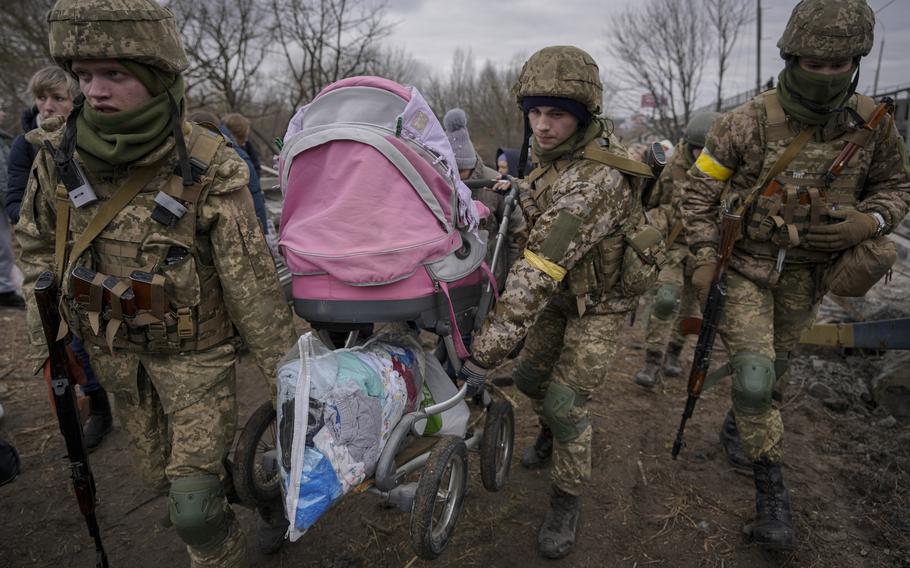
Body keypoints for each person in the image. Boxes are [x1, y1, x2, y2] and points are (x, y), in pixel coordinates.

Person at [18, 1, 297, 565]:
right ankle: (254, 483)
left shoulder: (208, 165)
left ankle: (236, 525)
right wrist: (44, 314)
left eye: (115, 74)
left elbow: (256, 292)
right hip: (116, 355)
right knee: (158, 478)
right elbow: (35, 244)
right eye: (85, 75)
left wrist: (290, 385)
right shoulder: (57, 155)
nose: (94, 90)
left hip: (196, 356)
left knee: (192, 509)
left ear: (156, 77)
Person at [681, 0, 909, 551]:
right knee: (757, 382)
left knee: (773, 374)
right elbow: (697, 192)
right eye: (814, 63)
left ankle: (740, 425)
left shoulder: (874, 125)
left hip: (811, 279)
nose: (826, 75)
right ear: (791, 56)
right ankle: (772, 500)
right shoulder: (745, 122)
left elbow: (898, 188)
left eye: (840, 65)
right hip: (747, 272)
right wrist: (705, 257)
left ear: (856, 61)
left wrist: (869, 221)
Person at [458, 46, 659, 558]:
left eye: (558, 115)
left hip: (601, 303)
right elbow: (533, 222)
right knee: (529, 380)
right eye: (535, 113)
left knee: (567, 405)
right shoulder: (552, 160)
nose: (542, 127)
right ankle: (548, 430)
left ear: (583, 117)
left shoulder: (597, 180)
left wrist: (483, 350)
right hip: (563, 295)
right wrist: (512, 194)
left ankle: (566, 501)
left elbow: (538, 269)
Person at [633, 112, 720, 389]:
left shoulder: (724, 171)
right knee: (666, 299)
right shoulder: (672, 168)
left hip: (703, 250)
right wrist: (660, 219)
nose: (700, 156)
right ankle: (652, 358)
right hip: (671, 248)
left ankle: (674, 352)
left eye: (706, 151)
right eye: (696, 149)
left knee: (692, 307)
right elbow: (650, 204)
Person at [444, 107, 528, 290]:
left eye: (462, 171)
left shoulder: (494, 183)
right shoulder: (441, 184)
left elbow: (518, 233)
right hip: (453, 279)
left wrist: (513, 280)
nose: (458, 177)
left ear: (472, 164)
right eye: (453, 172)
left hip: (491, 279)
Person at [5, 66, 80, 225]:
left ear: (77, 100)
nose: (47, 107)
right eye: (41, 97)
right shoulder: (24, 144)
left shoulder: (93, 138)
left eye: (58, 98)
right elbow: (13, 204)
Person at [220, 113, 268, 234]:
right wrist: (262, 230)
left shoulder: (220, 145)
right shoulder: (240, 156)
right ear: (241, 133)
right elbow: (254, 191)